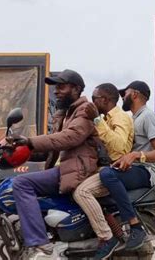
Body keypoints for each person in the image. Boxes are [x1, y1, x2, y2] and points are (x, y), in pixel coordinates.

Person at [9, 69, 99, 260]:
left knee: (21, 183)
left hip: (77, 169)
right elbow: (51, 148)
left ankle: (39, 244)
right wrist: (18, 151)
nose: (56, 91)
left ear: (76, 89)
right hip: (65, 167)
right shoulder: (65, 114)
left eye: (61, 86)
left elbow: (70, 138)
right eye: (55, 87)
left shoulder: (84, 111)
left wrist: (30, 141)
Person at [99, 81, 155, 252]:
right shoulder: (131, 119)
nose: (122, 97)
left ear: (135, 94)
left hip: (146, 171)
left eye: (125, 93)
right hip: (133, 169)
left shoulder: (147, 116)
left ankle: (136, 227)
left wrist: (137, 155)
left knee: (107, 175)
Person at [72, 83, 134, 259]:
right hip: (105, 168)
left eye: (94, 99)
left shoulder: (120, 117)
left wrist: (97, 121)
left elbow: (120, 147)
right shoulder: (105, 118)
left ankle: (106, 238)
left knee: (82, 192)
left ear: (105, 100)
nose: (91, 103)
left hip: (117, 170)